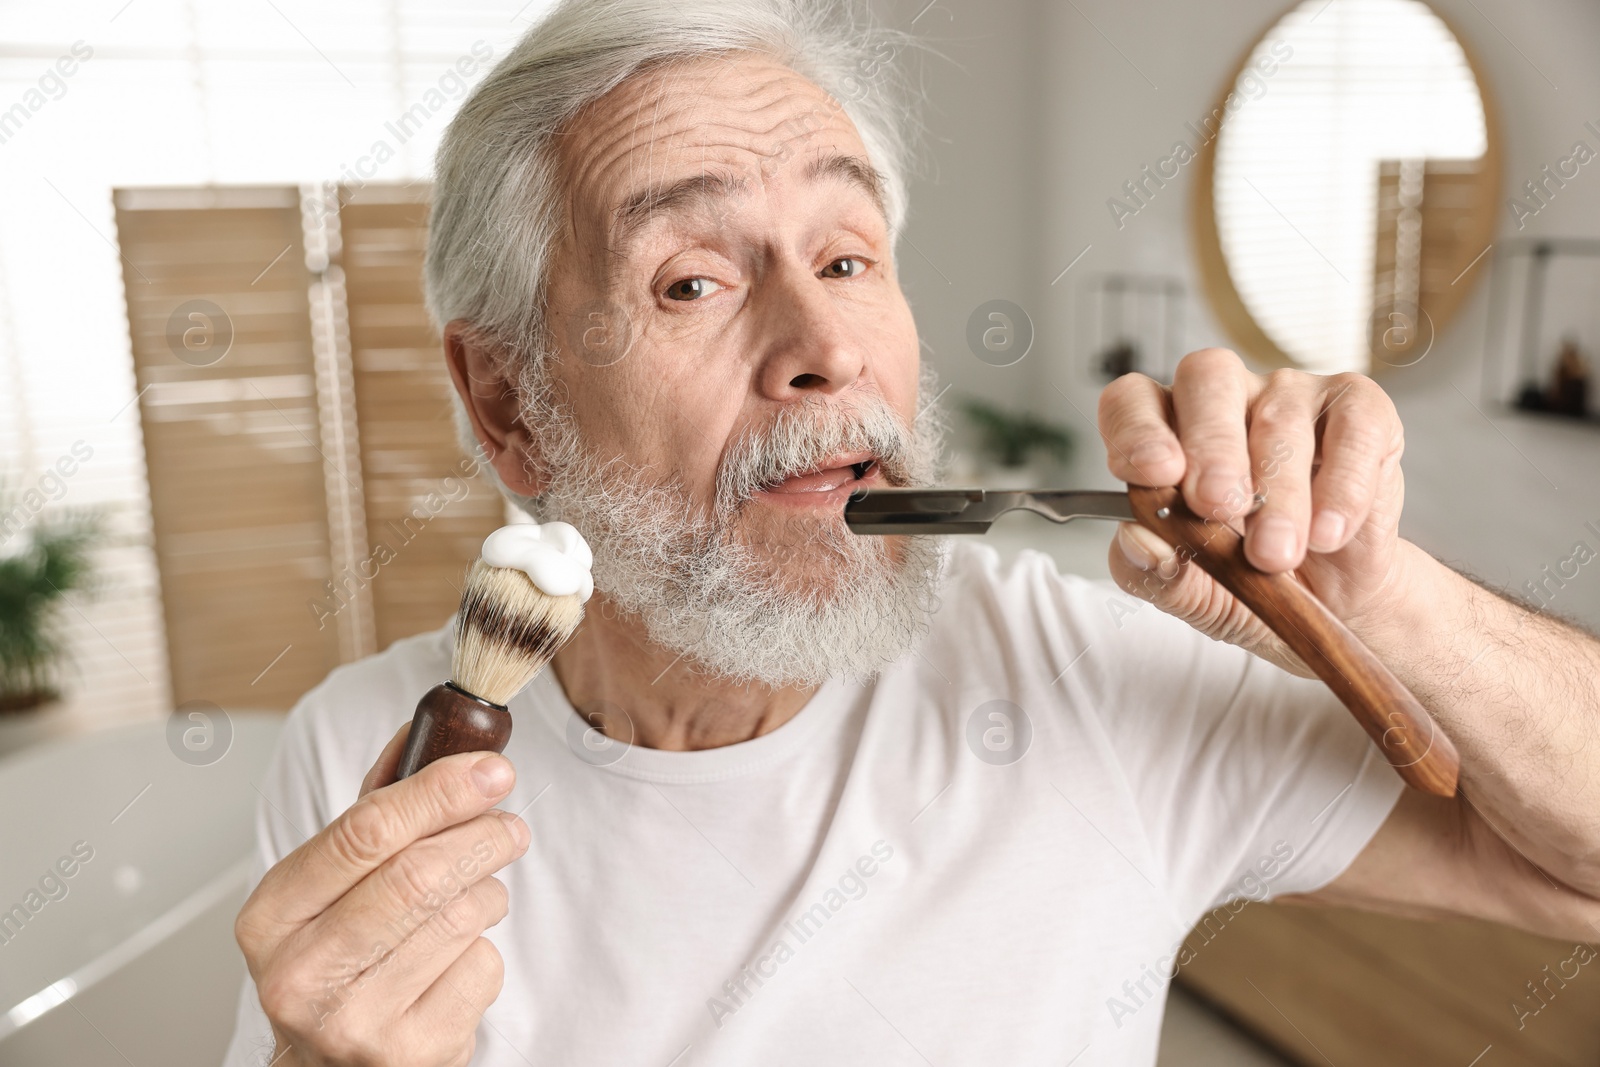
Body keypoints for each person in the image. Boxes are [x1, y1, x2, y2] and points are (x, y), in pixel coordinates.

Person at [223, 1, 1600, 1064]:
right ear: (510, 404)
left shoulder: (1082, 674)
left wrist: (1384, 592)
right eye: (693, 280)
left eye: (846, 259)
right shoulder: (368, 764)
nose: (826, 347)